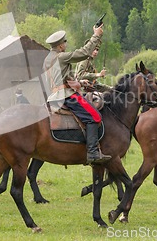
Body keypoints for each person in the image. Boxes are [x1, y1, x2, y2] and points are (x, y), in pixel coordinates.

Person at [43, 25, 111, 165]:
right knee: (95, 116)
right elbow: (85, 52)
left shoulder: (47, 59)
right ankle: (92, 152)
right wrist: (96, 35)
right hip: (66, 96)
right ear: (60, 46)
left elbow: (59, 79)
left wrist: (79, 81)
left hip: (54, 95)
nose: (66, 45)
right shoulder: (61, 57)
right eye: (65, 43)